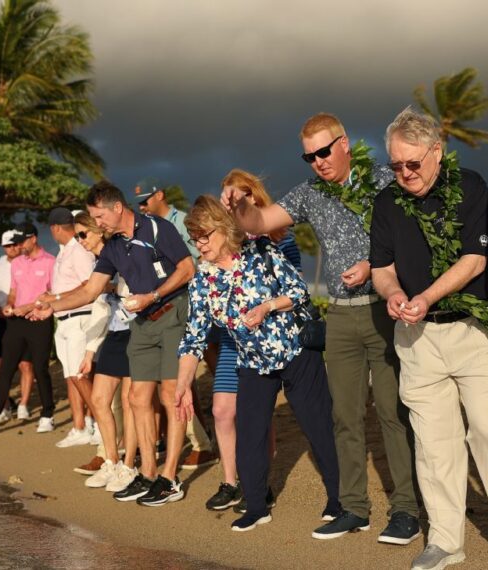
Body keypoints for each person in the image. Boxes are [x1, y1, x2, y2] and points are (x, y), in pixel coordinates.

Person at [222, 112, 420, 542]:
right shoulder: (310, 194)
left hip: (384, 309)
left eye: (324, 151)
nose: (318, 162)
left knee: (391, 412)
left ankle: (405, 509)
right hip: (341, 316)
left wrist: (373, 265)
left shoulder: (385, 180)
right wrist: (240, 206)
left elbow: (413, 234)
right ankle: (353, 508)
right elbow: (260, 223)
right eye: (309, 156)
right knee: (344, 416)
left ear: (345, 144)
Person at [371, 108, 488, 570]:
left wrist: (424, 296)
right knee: (433, 441)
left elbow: (474, 261)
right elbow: (382, 268)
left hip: (475, 329)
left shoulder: (471, 186)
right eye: (396, 165)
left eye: (413, 164)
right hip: (417, 338)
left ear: (436, 152)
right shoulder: (386, 203)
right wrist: (396, 294)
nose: (404, 173)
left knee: (487, 429)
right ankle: (444, 539)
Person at [175, 196, 339, 532]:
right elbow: (193, 339)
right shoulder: (202, 283)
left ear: (223, 229)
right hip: (251, 361)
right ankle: (255, 506)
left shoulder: (261, 254)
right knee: (249, 433)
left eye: (204, 235)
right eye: (195, 238)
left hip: (295, 351)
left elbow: (298, 291)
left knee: (317, 426)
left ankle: (339, 498)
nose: (199, 244)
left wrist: (267, 306)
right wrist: (182, 385)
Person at [30, 181, 195, 507]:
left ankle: (170, 477)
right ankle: (148, 474)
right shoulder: (113, 247)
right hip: (142, 323)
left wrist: (154, 294)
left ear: (117, 207)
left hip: (173, 312)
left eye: (98, 215)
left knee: (169, 394)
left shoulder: (158, 228)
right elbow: (91, 291)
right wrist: (54, 306)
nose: (97, 222)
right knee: (136, 397)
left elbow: (188, 268)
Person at [203, 169, 304, 513]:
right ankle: (231, 481)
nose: (232, 201)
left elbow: (293, 288)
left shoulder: (280, 237)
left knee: (256, 417)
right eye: (227, 197)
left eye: (240, 196)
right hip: (233, 341)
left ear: (254, 197)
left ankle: (257, 483)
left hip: (268, 340)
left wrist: (263, 307)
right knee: (221, 410)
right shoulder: (223, 240)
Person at [136, 182, 217, 469]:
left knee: (209, 367)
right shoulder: (148, 227)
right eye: (139, 203)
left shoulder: (181, 221)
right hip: (177, 305)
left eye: (145, 201)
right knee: (183, 374)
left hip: (198, 299)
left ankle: (209, 437)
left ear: (159, 196)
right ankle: (204, 436)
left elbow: (196, 262)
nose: (142, 207)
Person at [70, 211, 139, 493]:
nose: (80, 240)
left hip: (137, 329)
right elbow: (98, 308)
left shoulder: (122, 252)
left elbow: (137, 285)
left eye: (82, 234)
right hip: (113, 332)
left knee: (131, 400)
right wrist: (89, 352)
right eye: (76, 236)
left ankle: (129, 465)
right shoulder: (101, 263)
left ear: (98, 230)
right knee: (99, 399)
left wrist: (115, 285)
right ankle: (111, 460)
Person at [0, 223, 58, 435]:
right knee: (6, 369)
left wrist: (29, 307)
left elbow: (53, 294)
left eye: (21, 241)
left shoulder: (50, 262)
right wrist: (9, 305)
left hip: (39, 321)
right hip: (16, 322)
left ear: (33, 239)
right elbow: (12, 292)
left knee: (40, 369)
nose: (18, 245)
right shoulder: (17, 263)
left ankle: (47, 414)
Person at [39, 207, 110, 447]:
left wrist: (56, 299)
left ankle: (102, 425)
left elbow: (88, 285)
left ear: (55, 228)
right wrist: (51, 304)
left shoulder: (78, 251)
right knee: (71, 376)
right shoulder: (64, 252)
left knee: (80, 376)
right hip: (65, 319)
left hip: (81, 318)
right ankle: (80, 427)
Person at [0, 229, 35, 420]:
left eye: (15, 244)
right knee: (2, 365)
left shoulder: (30, 263)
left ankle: (23, 404)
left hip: (26, 319)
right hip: (3, 321)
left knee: (25, 365)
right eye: (8, 245)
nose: (12, 248)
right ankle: (5, 405)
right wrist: (1, 312)